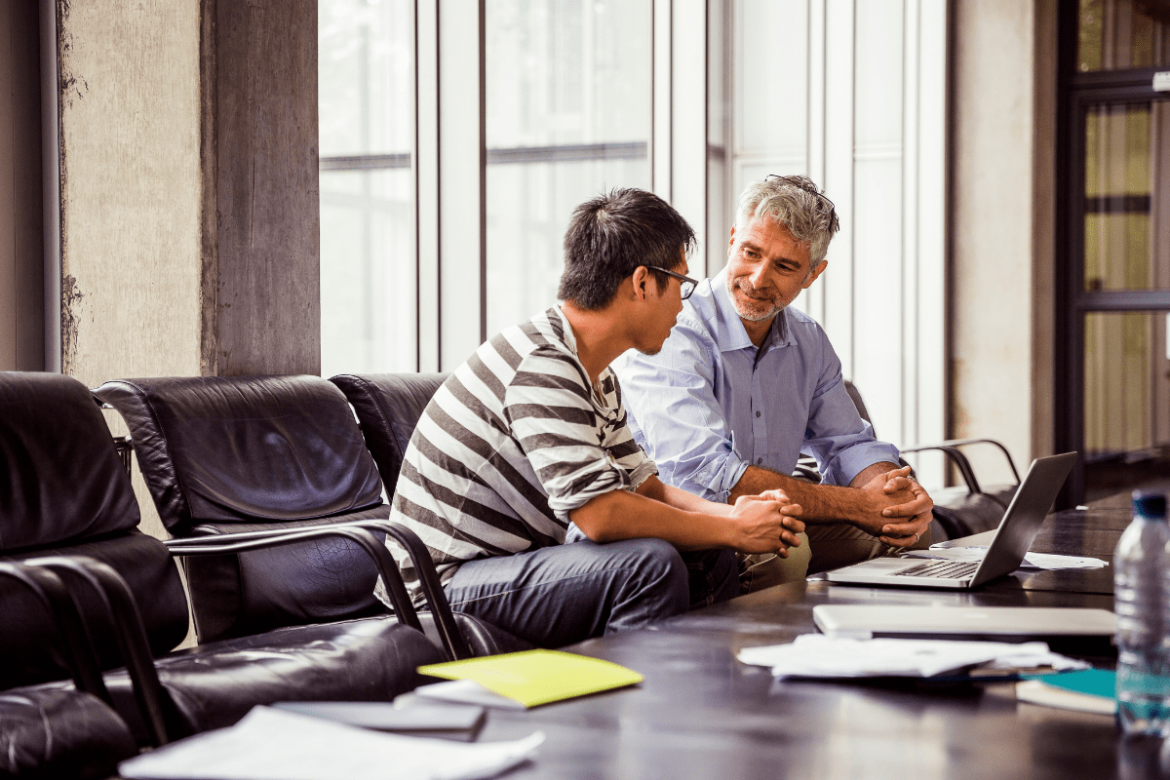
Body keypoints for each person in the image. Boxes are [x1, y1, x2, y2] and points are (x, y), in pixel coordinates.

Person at [377, 187, 806, 647]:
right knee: (649, 565)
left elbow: (647, 489)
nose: (684, 305)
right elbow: (600, 514)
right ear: (642, 283)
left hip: (505, 568)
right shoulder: (541, 365)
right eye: (680, 284)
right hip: (438, 588)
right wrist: (733, 526)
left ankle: (700, 694)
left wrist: (732, 519)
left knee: (711, 553)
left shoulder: (595, 373)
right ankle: (625, 709)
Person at [612, 175, 934, 591]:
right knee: (787, 548)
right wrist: (859, 504)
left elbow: (849, 444)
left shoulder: (808, 340)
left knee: (906, 531)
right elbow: (706, 476)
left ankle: (870, 653)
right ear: (732, 241)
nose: (759, 279)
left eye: (784, 266)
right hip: (692, 520)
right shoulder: (673, 329)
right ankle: (764, 658)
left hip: (774, 517)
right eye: (751, 252)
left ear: (813, 274)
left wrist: (894, 494)